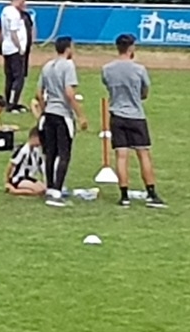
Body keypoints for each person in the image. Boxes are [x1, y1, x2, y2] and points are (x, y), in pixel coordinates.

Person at [102, 33, 167, 208]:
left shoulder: (107, 69)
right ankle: (151, 193)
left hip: (117, 115)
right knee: (143, 154)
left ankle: (124, 195)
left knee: (121, 155)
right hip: (136, 116)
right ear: (131, 48)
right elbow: (144, 92)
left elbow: (108, 87)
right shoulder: (139, 69)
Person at [36, 36, 89, 207]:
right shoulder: (68, 65)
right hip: (62, 115)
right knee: (64, 153)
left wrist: (44, 110)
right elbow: (69, 93)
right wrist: (80, 115)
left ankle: (50, 186)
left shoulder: (47, 66)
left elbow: (39, 93)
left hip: (49, 113)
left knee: (50, 152)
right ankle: (57, 191)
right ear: (68, 49)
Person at [0, 0, 29, 113]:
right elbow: (13, 33)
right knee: (18, 77)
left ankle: (9, 101)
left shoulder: (5, 10)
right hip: (14, 49)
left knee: (9, 77)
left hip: (7, 47)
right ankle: (12, 103)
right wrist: (20, 47)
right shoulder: (15, 14)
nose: (24, 4)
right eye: (23, 1)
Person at [5, 127, 47, 196]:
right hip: (18, 178)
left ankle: (24, 189)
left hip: (29, 178)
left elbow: (42, 167)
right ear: (34, 137)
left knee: (44, 189)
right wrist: (7, 181)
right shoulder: (23, 150)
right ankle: (14, 190)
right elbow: (11, 165)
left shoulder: (36, 151)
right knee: (38, 191)